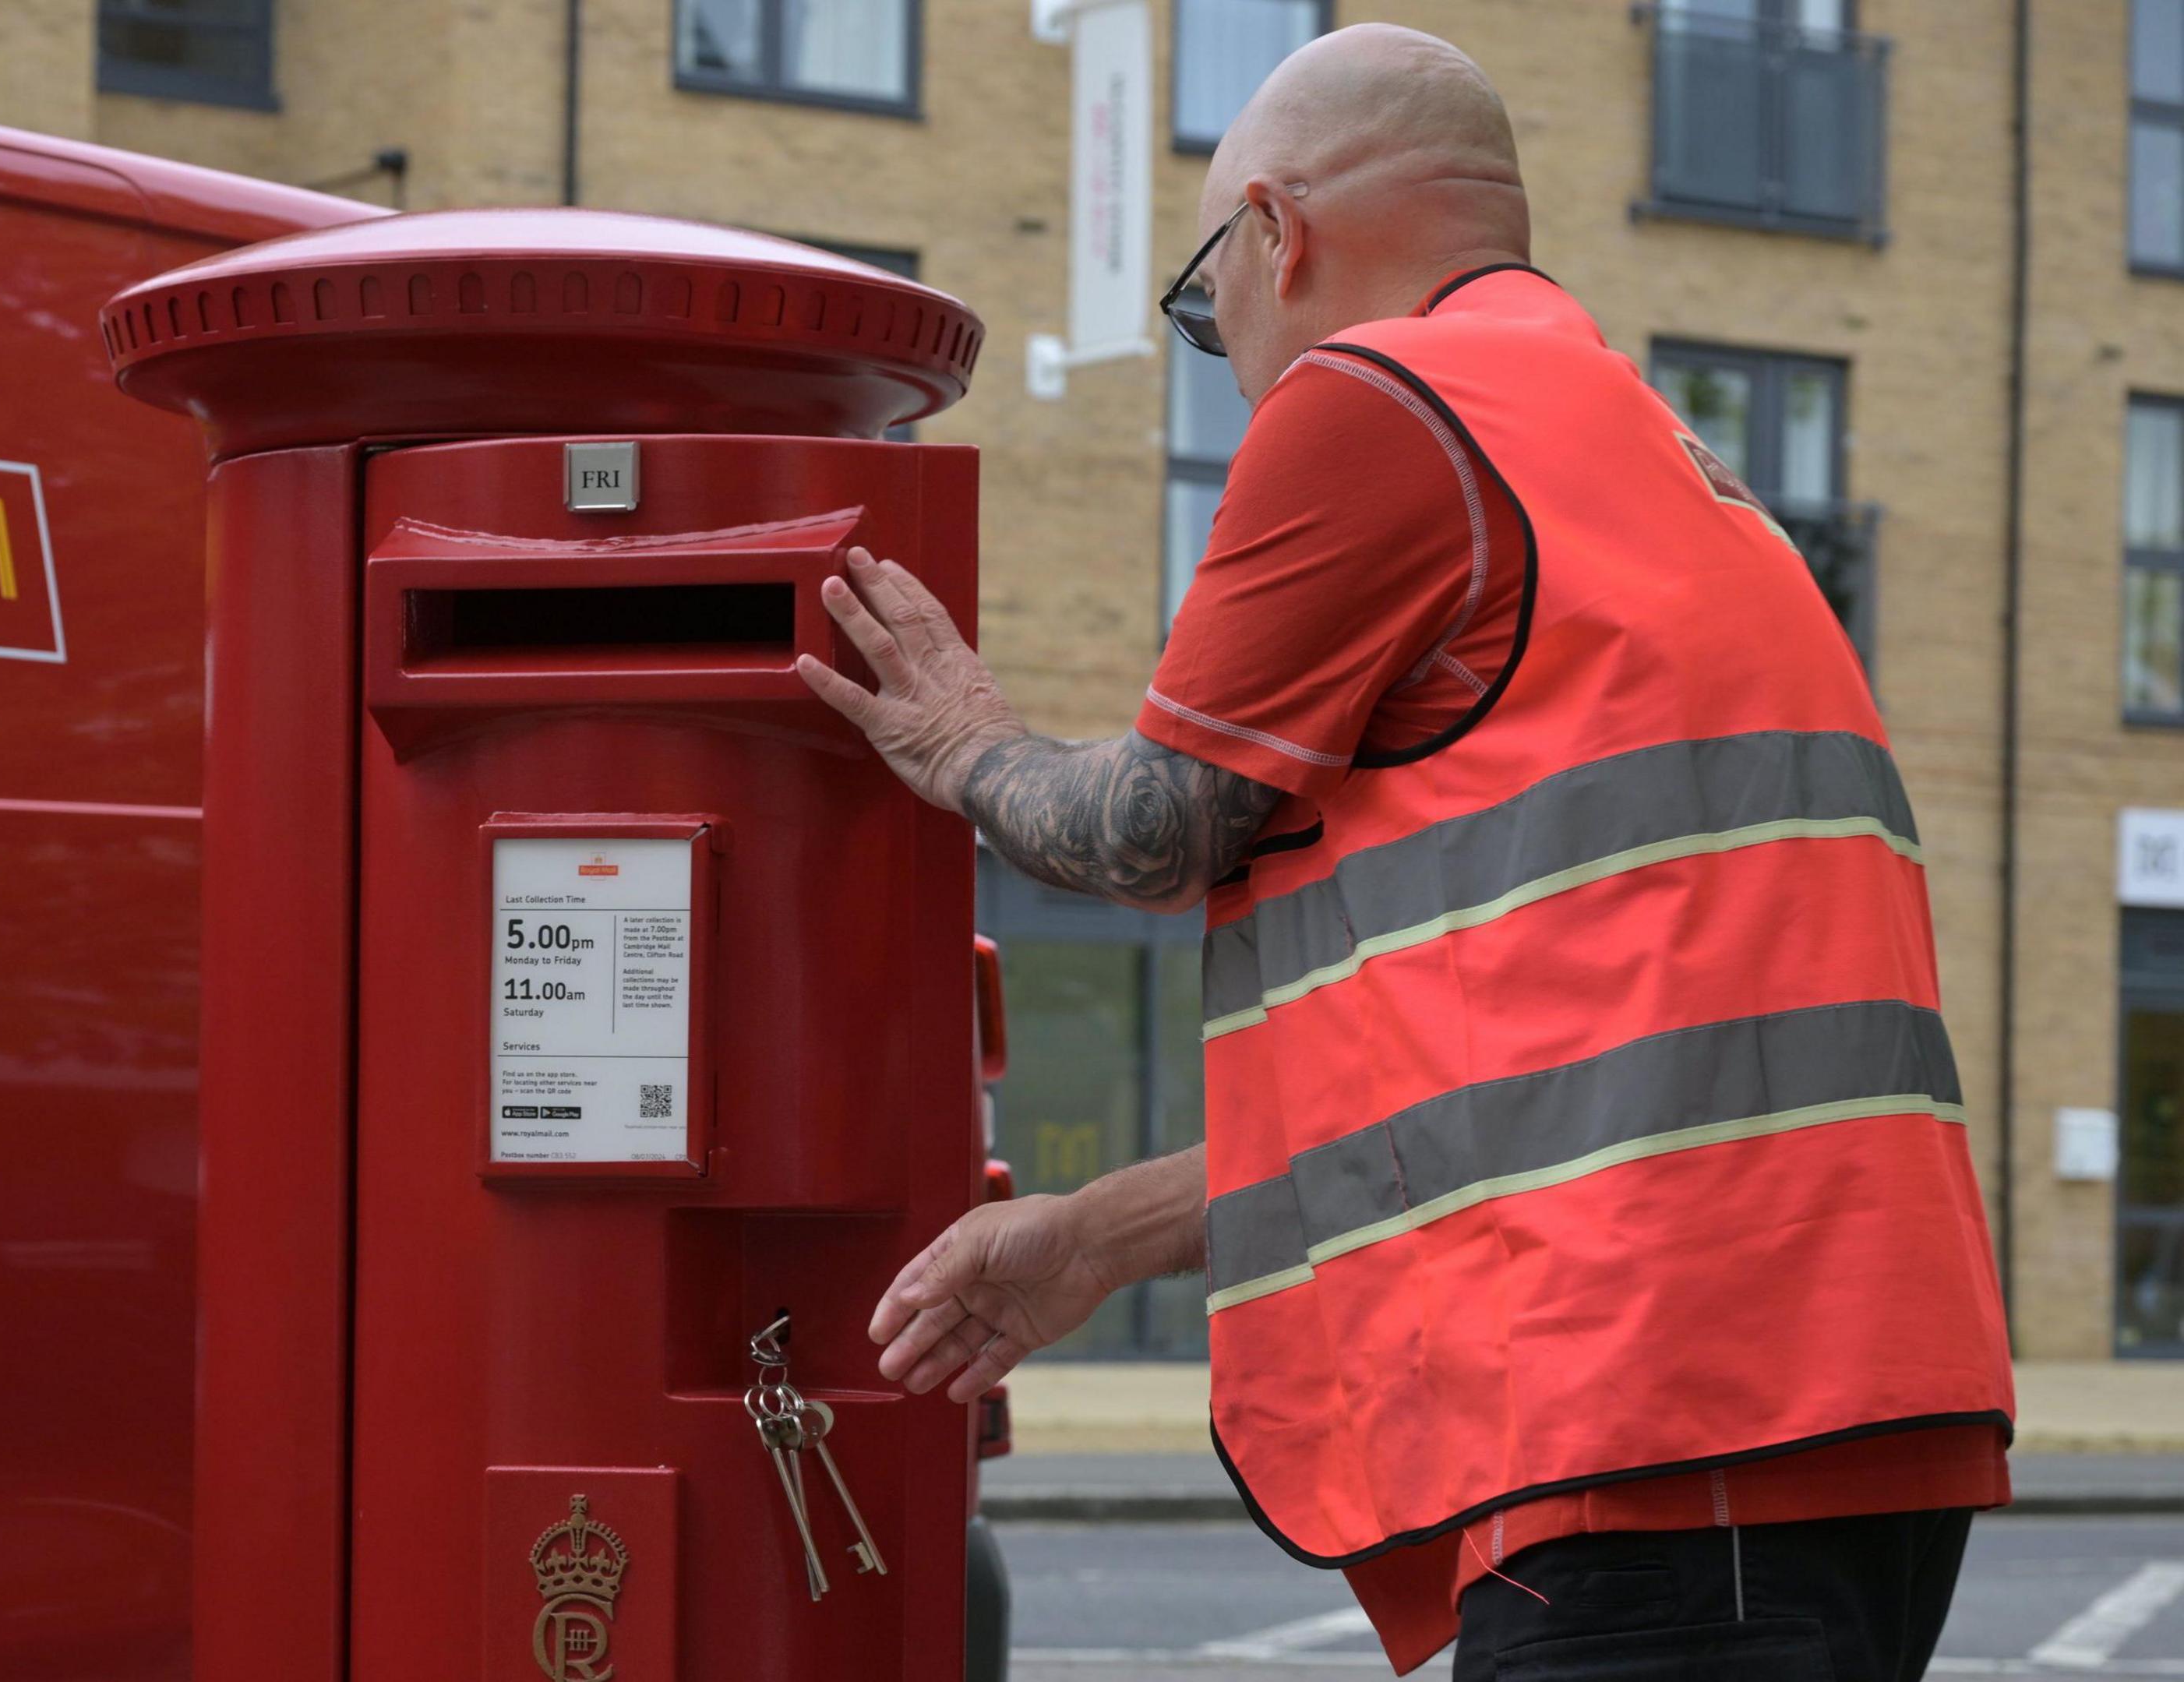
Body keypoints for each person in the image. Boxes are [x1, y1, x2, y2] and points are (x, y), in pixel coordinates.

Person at [795, 23, 2017, 1682]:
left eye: (1201, 297)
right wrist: (1094, 1240)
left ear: (1275, 238)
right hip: (1843, 1405)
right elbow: (1510, 1094)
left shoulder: (1379, 400)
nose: (1222, 353)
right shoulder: (1650, 456)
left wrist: (963, 744)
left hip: (1651, 1415)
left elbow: (1156, 827)